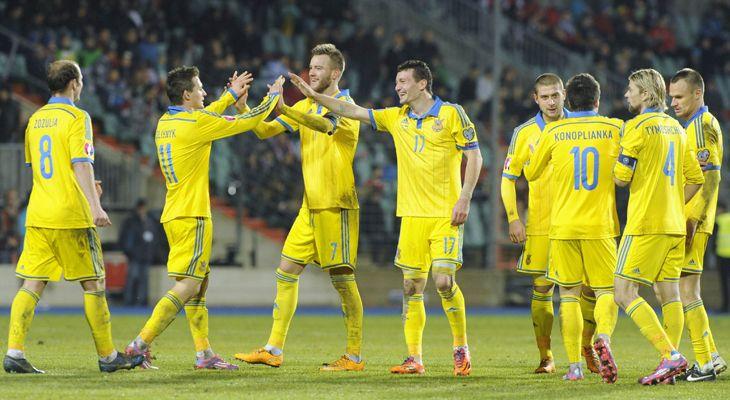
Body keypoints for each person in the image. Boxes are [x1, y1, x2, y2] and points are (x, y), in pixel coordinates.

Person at [290, 59, 483, 376]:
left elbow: (474, 155)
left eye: (403, 81)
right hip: (411, 217)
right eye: (396, 82)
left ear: (422, 83)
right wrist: (313, 95)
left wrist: (465, 197)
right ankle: (414, 358)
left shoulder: (451, 113)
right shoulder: (396, 117)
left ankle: (460, 348)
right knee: (411, 287)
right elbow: (353, 111)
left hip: (445, 215)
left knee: (444, 281)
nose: (398, 87)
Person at [124, 66, 283, 370]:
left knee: (197, 284)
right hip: (193, 214)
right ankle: (139, 345)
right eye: (199, 88)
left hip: (174, 213)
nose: (204, 92)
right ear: (187, 94)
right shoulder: (196, 123)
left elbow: (206, 115)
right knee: (189, 285)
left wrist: (231, 95)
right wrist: (272, 99)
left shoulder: (166, 122)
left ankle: (204, 353)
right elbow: (248, 121)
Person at [4, 60, 144, 373]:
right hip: (70, 215)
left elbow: (43, 169)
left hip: (39, 214)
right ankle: (108, 357)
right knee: (94, 283)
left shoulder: (35, 119)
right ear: (73, 84)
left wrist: (86, 188)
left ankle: (14, 352)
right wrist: (94, 205)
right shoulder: (77, 117)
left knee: (32, 283)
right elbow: (81, 163)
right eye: (81, 80)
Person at [234, 43, 365, 371]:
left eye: (319, 68)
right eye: (311, 67)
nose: (312, 72)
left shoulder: (346, 106)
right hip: (310, 207)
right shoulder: (305, 105)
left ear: (335, 73)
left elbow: (325, 125)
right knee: (286, 271)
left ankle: (353, 356)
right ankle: (273, 349)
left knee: (342, 280)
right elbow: (264, 130)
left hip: (337, 204)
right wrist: (243, 106)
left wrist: (285, 108)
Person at [524, 73, 622, 382]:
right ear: (597, 101)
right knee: (606, 291)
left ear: (568, 99)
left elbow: (531, 173)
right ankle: (602, 337)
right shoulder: (615, 128)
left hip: (563, 225)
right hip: (600, 225)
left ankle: (574, 367)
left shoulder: (553, 131)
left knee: (568, 294)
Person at [501, 73, 601, 374]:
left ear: (565, 95)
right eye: (545, 97)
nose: (551, 102)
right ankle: (546, 356)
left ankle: (586, 346)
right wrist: (514, 218)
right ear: (536, 99)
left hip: (579, 221)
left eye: (556, 95)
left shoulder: (581, 125)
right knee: (542, 289)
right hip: (542, 225)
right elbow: (508, 178)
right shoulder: (524, 133)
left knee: (590, 290)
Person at [613, 68, 704, 385]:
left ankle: (670, 356)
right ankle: (670, 367)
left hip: (646, 224)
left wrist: (617, 161)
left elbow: (621, 178)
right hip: (675, 225)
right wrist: (673, 204)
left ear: (645, 94)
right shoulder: (678, 128)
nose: (627, 94)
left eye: (631, 89)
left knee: (623, 292)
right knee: (669, 294)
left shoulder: (636, 127)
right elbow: (696, 178)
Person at [668, 67, 726, 381]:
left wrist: (692, 218)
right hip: (691, 219)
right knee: (687, 290)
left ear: (697, 93)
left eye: (679, 96)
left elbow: (710, 178)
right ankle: (711, 356)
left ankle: (704, 364)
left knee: (687, 291)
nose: (673, 103)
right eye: (671, 97)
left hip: (693, 221)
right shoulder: (692, 126)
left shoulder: (702, 126)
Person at [119, 198, 158, 306]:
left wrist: (152, 253)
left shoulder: (149, 221)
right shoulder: (131, 221)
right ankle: (128, 301)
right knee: (132, 278)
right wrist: (127, 252)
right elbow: (126, 238)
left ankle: (142, 301)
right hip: (134, 255)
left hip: (146, 255)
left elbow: (154, 239)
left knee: (144, 280)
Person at [716, 203, 730, 313]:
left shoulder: (721, 219)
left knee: (724, 282)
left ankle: (726, 306)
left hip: (723, 255)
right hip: (723, 255)